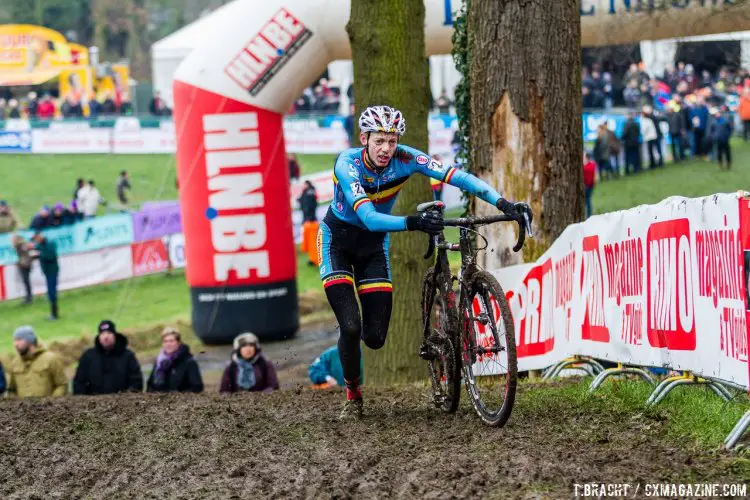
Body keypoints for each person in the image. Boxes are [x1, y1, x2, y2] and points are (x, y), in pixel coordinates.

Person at [320, 105, 532, 419]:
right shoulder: (347, 164)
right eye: (379, 141)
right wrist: (414, 222)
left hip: (373, 247)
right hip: (337, 241)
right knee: (351, 326)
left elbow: (457, 177)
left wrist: (503, 202)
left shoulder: (406, 158)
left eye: (391, 141)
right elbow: (367, 216)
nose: (386, 149)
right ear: (363, 138)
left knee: (375, 338)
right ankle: (353, 396)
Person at [73, 320, 143, 395]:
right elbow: (79, 382)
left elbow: (136, 381)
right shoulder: (88, 356)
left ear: (115, 335)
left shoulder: (128, 356)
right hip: (93, 402)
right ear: (99, 336)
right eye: (102, 334)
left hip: (122, 401)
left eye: (109, 333)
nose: (106, 337)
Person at [6, 325, 68, 398]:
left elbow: (62, 384)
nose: (15, 344)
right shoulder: (14, 363)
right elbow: (11, 390)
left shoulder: (51, 359)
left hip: (48, 408)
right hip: (22, 409)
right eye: (15, 340)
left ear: (30, 341)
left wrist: (51, 403)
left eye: (19, 340)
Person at [146, 327, 203, 393]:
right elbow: (150, 386)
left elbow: (197, 387)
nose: (168, 344)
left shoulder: (189, 361)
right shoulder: (159, 362)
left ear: (179, 343)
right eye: (165, 341)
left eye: (171, 341)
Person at [32, 231, 59, 320]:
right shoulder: (41, 245)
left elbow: (51, 256)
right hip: (47, 272)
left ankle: (54, 314)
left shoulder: (50, 244)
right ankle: (53, 313)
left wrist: (40, 254)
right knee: (50, 292)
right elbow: (35, 248)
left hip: (52, 271)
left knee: (52, 293)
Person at [13, 234, 35, 305]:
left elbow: (26, 253)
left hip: (24, 265)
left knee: (26, 281)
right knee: (26, 281)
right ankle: (28, 297)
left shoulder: (21, 245)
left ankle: (29, 297)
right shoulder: (20, 246)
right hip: (25, 264)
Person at [583, 151, 597, 219]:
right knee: (588, 200)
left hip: (587, 186)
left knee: (587, 201)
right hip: (591, 185)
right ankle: (588, 214)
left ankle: (588, 214)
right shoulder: (592, 164)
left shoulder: (587, 167)